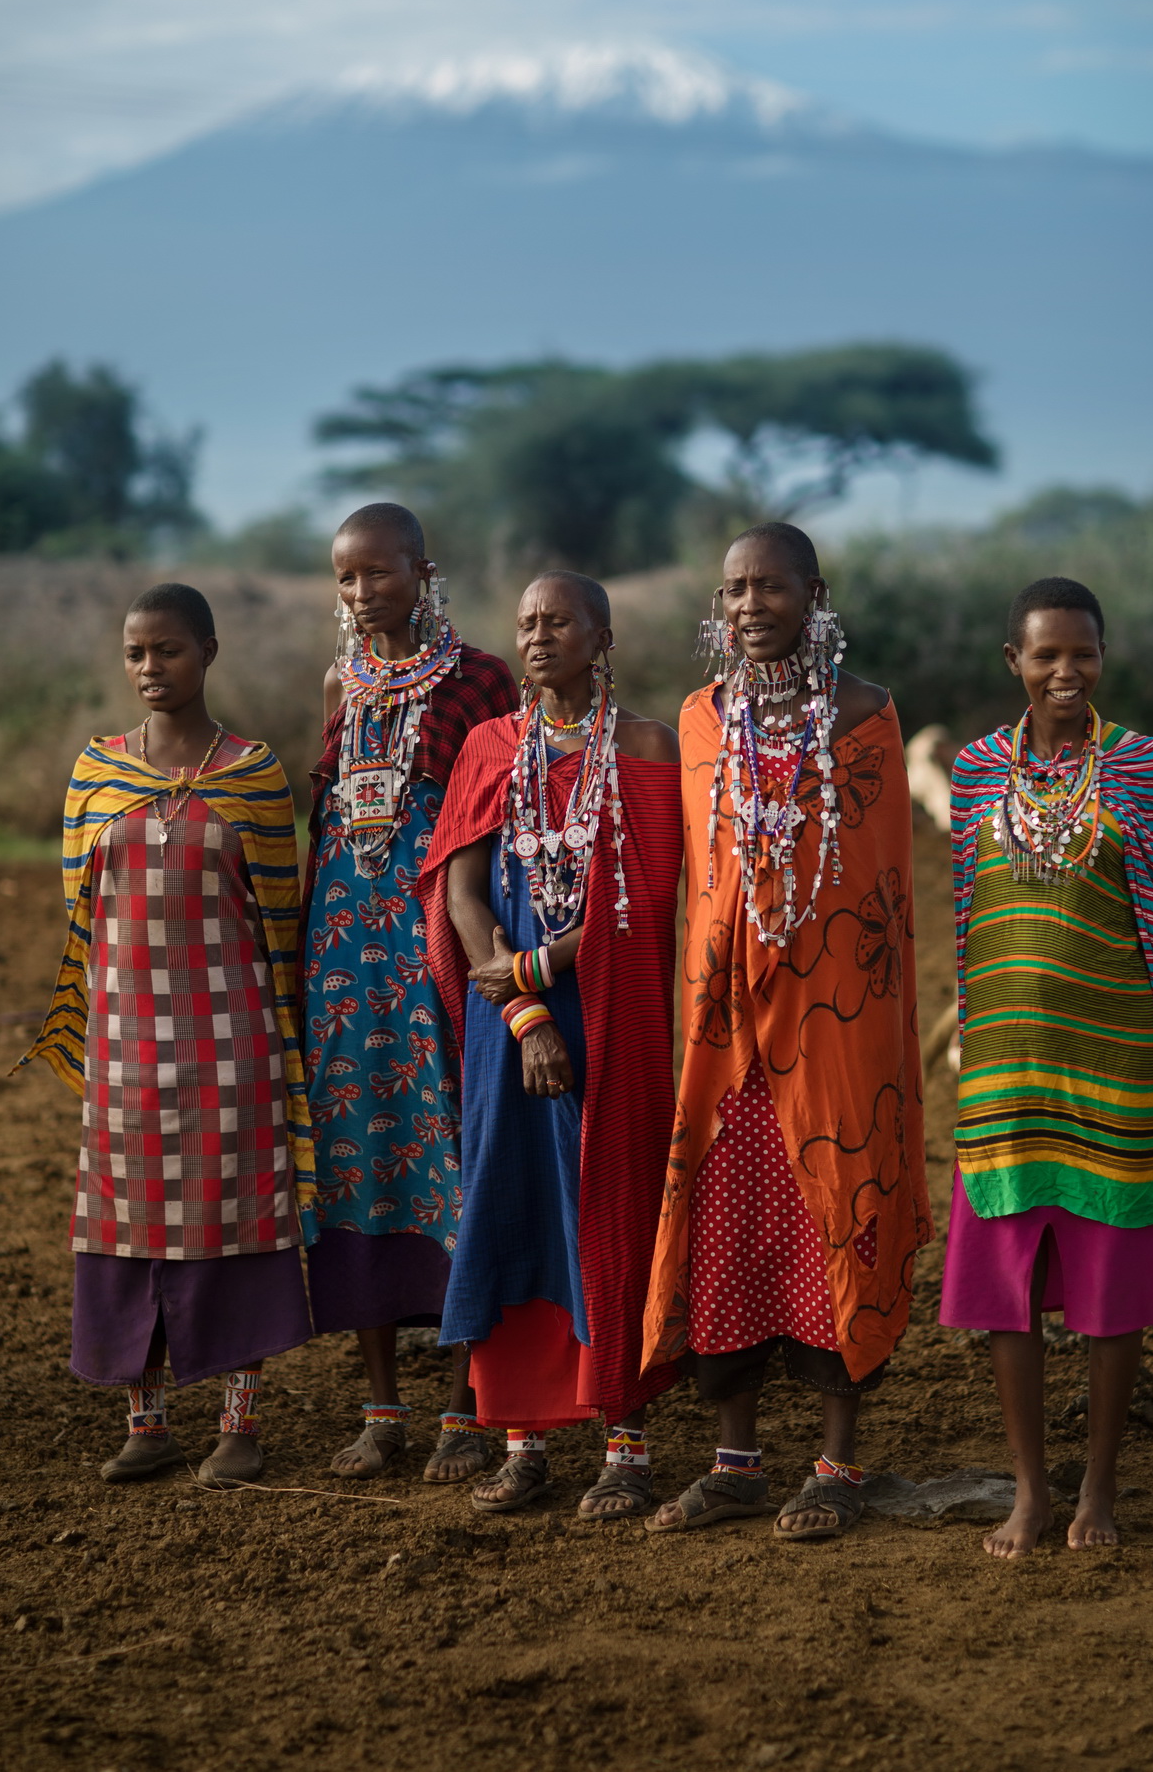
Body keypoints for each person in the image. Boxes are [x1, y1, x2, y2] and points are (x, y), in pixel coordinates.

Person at [642, 523, 931, 1540]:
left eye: (769, 587)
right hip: (725, 1035)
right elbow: (702, 882)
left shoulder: (864, 719)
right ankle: (734, 1462)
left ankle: (837, 1466)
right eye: (733, 590)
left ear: (814, 595)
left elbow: (881, 894)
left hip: (836, 1025)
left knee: (835, 1213)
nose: (749, 605)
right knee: (728, 1222)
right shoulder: (697, 721)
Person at [940, 576, 1153, 1557]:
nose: (1066, 671)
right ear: (1012, 662)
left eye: (1084, 653)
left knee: (1112, 1299)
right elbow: (968, 922)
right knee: (1005, 1297)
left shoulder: (1143, 765)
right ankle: (1029, 1490)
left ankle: (1096, 1489)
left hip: (1118, 1072)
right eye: (1046, 654)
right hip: (1004, 1078)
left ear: (1102, 659)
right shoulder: (977, 771)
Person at [17, 583, 315, 1489]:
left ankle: (241, 1426)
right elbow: (80, 912)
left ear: (210, 654)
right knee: (127, 1229)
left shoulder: (254, 774)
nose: (152, 669)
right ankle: (146, 1427)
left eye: (170, 651)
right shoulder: (95, 773)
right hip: (125, 1043)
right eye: (137, 653)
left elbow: (280, 922)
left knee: (236, 1225)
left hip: (232, 1044)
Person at [420, 571, 682, 1517]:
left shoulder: (650, 748)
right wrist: (524, 1009)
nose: (536, 637)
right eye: (526, 622)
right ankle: (523, 1441)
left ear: (600, 636)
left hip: (610, 1011)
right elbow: (462, 893)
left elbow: (650, 902)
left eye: (557, 621)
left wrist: (537, 973)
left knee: (609, 1202)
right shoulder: (492, 747)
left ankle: (625, 1440)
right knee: (512, 1202)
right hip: (510, 1028)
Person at [301, 502, 517, 1482]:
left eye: (375, 574)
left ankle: (471, 1407)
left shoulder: (479, 681)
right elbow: (324, 824)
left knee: (456, 1157)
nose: (358, 594)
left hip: (437, 956)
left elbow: (503, 831)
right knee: (361, 1159)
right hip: (345, 970)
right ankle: (381, 1408)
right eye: (344, 578)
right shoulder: (342, 684)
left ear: (422, 573)